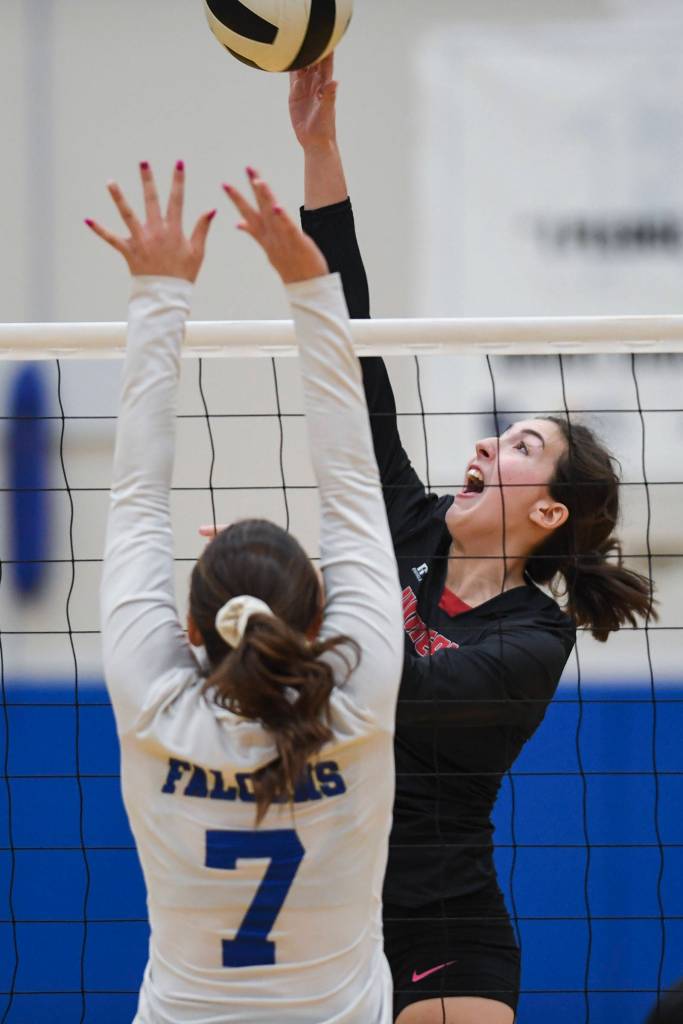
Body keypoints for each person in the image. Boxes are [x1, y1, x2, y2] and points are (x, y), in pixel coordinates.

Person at [289, 57, 656, 1024]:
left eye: (521, 445)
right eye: (500, 431)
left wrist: (288, 611)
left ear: (549, 515)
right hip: (317, 913)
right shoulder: (405, 525)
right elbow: (350, 353)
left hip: (439, 934)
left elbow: (401, 691)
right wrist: (322, 156)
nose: (487, 442)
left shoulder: (534, 639)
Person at [88, 160, 403, 1023]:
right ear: (321, 618)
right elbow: (351, 478)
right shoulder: (361, 702)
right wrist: (308, 283)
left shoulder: (157, 705)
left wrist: (161, 291)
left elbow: (133, 501)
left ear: (192, 626)